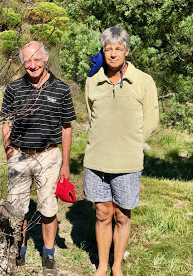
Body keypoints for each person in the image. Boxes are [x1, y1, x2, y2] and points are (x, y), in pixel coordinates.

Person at [83, 25, 159, 276]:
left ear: (126, 51)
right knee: (103, 213)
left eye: (118, 48)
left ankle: (117, 266)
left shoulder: (143, 81)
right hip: (96, 160)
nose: (113, 54)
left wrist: (134, 142)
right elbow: (92, 117)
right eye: (108, 49)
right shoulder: (92, 80)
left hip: (128, 161)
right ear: (103, 51)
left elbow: (152, 120)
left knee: (122, 216)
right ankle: (102, 266)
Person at [1, 40, 76, 276]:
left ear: (46, 58)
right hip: (21, 156)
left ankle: (48, 254)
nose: (32, 65)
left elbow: (66, 127)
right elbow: (6, 121)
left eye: (36, 59)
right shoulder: (13, 89)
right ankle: (18, 249)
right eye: (27, 61)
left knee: (48, 208)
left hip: (49, 156)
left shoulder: (61, 89)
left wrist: (65, 163)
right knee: (17, 208)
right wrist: (9, 151)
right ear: (22, 63)